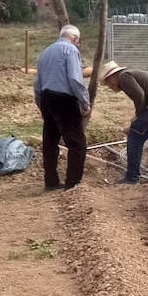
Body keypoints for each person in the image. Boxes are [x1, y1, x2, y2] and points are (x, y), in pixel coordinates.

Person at [34, 25, 91, 191]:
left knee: (50, 141)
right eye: (78, 41)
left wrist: (40, 101)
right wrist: (84, 101)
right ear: (75, 39)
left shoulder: (46, 52)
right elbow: (75, 78)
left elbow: (37, 82)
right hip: (64, 99)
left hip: (46, 97)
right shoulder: (71, 50)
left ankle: (51, 181)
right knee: (77, 143)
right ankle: (73, 185)